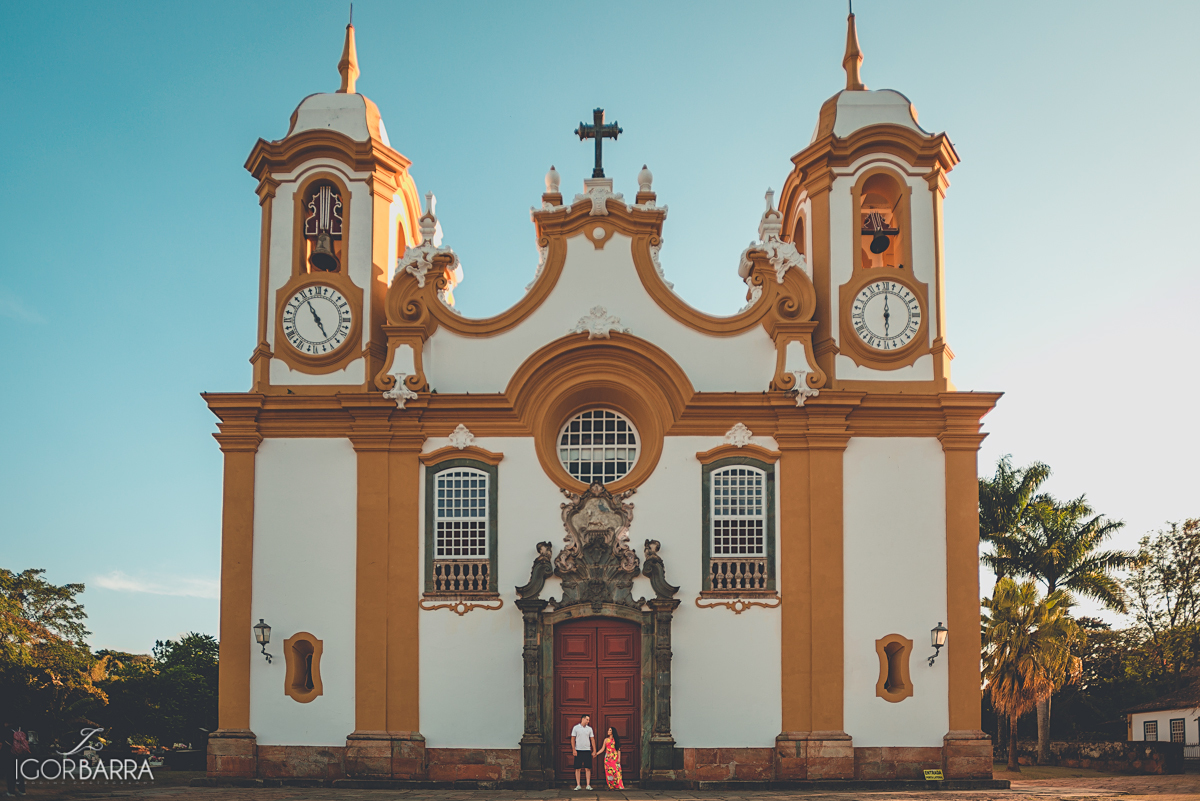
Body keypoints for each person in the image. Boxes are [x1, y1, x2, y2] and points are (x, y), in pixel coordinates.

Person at [568, 713, 595, 791]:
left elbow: (592, 739)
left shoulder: (589, 729)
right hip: (578, 750)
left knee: (588, 768)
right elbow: (573, 739)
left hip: (587, 750)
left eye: (588, 720)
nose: (588, 721)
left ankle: (588, 785)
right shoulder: (576, 728)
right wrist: (573, 749)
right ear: (583, 719)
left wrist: (594, 750)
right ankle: (578, 784)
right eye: (587, 719)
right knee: (577, 768)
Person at [1, 721, 28, 797]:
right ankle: (22, 791)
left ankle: (11, 792)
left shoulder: (5, 730)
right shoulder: (21, 729)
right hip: (20, 755)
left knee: (10, 773)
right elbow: (27, 741)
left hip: (9, 754)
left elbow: (0, 743)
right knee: (19, 772)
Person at [595, 725, 623, 790]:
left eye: (610, 730)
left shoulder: (616, 740)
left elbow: (618, 750)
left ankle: (619, 785)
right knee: (609, 772)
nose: (608, 731)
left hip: (614, 757)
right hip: (607, 758)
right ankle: (611, 786)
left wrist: (619, 758)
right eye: (608, 730)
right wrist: (597, 753)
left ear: (613, 732)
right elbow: (602, 749)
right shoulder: (606, 740)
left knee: (616, 771)